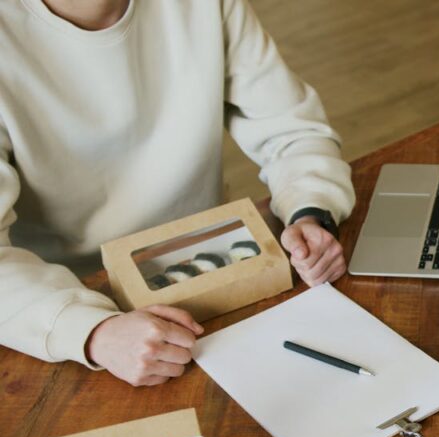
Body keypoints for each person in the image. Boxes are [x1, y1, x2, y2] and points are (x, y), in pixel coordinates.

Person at [0, 0, 355, 386]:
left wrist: (310, 209)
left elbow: (291, 129)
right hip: (65, 299)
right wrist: (93, 331)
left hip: (218, 264)